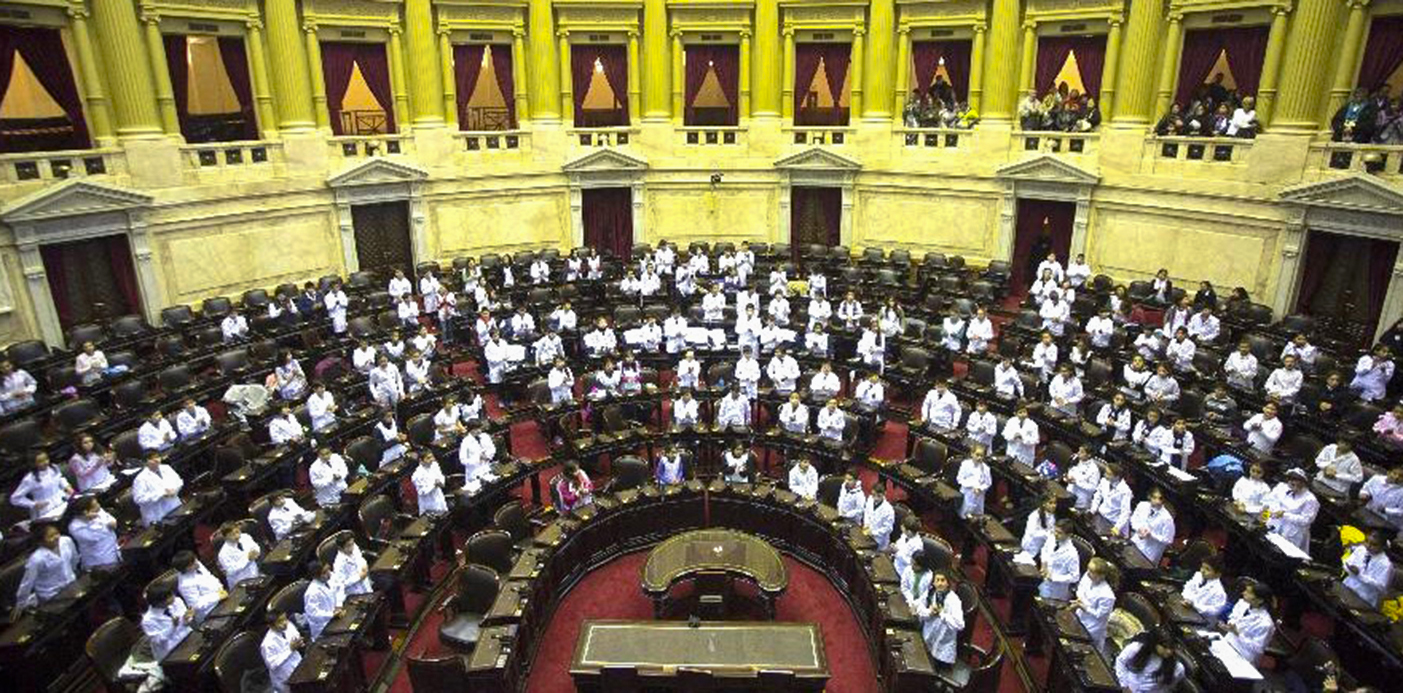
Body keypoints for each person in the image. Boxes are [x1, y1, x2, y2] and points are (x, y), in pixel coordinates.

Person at [13, 523, 78, 616]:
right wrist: (20, 604)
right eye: (51, 536)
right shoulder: (36, 559)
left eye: (56, 533)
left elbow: (74, 559)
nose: (56, 537)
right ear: (41, 542)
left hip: (71, 586)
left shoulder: (66, 541)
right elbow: (27, 582)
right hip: (51, 596)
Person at [914, 571, 964, 667]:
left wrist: (942, 614)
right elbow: (918, 606)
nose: (940, 583)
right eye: (937, 580)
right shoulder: (930, 593)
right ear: (933, 583)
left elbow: (960, 625)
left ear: (948, 583)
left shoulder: (953, 600)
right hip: (928, 637)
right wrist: (929, 612)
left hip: (943, 644)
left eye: (943, 580)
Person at [1218, 581, 1275, 665]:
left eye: (1249, 592)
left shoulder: (1265, 624)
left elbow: (1257, 649)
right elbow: (1233, 617)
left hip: (1243, 656)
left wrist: (1238, 634)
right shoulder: (1242, 603)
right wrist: (1229, 626)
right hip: (1228, 642)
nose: (1243, 593)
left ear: (1260, 600)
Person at [1114, 628, 1185, 693]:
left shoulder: (1177, 668)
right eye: (1165, 647)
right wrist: (1125, 685)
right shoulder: (1136, 648)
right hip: (1128, 687)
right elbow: (1120, 662)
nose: (1169, 651)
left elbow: (1168, 687)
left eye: (1171, 647)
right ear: (1155, 642)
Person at [1265, 468, 1319, 552]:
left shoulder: (1310, 500)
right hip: (1274, 524)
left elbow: (1306, 520)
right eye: (1292, 479)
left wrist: (1284, 515)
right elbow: (1270, 500)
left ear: (1304, 483)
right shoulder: (1281, 487)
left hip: (1293, 533)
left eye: (1298, 480)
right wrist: (1277, 510)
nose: (1294, 482)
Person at [9, 452, 71, 522]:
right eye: (40, 461)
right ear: (34, 464)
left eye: (46, 459)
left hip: (61, 500)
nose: (46, 462)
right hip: (46, 508)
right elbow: (15, 498)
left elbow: (60, 478)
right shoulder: (30, 479)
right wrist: (33, 504)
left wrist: (66, 486)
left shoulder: (53, 468)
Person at [1073, 557, 1118, 651]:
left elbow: (1099, 615)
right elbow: (1080, 588)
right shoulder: (1087, 576)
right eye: (1088, 569)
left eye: (1092, 572)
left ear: (1101, 576)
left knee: (1085, 649)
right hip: (1080, 616)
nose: (1088, 573)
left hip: (1092, 626)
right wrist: (1080, 598)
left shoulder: (1107, 596)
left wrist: (1084, 607)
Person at [141, 583, 192, 660]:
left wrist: (188, 618)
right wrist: (172, 627)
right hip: (171, 650)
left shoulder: (177, 601)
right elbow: (158, 641)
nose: (173, 597)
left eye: (171, 594)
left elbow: (186, 623)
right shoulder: (148, 620)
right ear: (158, 603)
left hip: (187, 637)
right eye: (169, 597)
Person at [173, 550, 226, 623]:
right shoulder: (185, 585)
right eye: (193, 563)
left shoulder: (197, 564)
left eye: (195, 559)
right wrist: (217, 596)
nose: (197, 563)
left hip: (221, 597)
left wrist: (219, 587)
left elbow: (209, 576)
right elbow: (196, 605)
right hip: (209, 611)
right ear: (186, 568)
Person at [68, 497, 120, 571]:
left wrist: (112, 522)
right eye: (95, 505)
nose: (99, 506)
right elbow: (95, 537)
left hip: (114, 551)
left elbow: (111, 520)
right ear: (85, 512)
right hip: (99, 561)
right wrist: (100, 521)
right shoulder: (75, 527)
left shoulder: (99, 511)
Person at [1343, 531, 1393, 608]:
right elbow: (1346, 564)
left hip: (1364, 598)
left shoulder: (1386, 565)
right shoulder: (1360, 550)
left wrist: (1360, 575)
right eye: (1366, 541)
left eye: (1374, 544)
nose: (1368, 546)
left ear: (1383, 547)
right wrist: (1349, 568)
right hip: (1347, 586)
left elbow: (1381, 588)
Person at [132, 452, 183, 526]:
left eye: (157, 457)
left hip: (175, 505)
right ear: (146, 462)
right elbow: (139, 499)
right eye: (152, 459)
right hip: (157, 514)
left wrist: (174, 489)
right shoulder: (140, 479)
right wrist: (161, 494)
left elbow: (178, 481)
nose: (156, 460)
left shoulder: (166, 468)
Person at [262, 609, 304, 693]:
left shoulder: (289, 626)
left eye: (285, 619)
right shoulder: (267, 644)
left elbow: (296, 635)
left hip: (298, 665)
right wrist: (290, 649)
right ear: (270, 626)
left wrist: (299, 642)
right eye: (280, 621)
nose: (285, 623)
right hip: (284, 677)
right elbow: (272, 665)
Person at [1129, 487, 1176, 563]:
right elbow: (1133, 520)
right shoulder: (1142, 505)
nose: (1157, 501)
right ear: (1149, 496)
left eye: (1160, 498)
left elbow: (1168, 540)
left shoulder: (1167, 518)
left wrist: (1151, 535)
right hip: (1135, 542)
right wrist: (1139, 528)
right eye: (1154, 498)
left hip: (1149, 553)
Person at [1038, 519, 1080, 600]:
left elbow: (1075, 577)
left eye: (1059, 533)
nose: (1055, 534)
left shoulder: (1072, 554)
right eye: (1055, 531)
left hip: (1057, 591)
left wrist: (1053, 577)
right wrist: (1044, 564)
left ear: (1068, 535)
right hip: (1044, 582)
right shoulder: (1052, 538)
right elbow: (1045, 550)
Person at [304, 561, 344, 641]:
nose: (329, 573)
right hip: (323, 627)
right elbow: (313, 614)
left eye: (328, 569)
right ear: (316, 576)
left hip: (336, 617)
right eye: (324, 572)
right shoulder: (312, 592)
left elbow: (339, 587)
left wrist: (338, 604)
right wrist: (332, 614)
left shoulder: (330, 578)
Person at [1090, 463, 1133, 537]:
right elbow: (1098, 495)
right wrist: (1093, 509)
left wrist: (1117, 527)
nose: (1105, 475)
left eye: (1109, 474)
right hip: (1102, 516)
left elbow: (1126, 512)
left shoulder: (1125, 491)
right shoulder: (1104, 481)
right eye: (1106, 472)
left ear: (1117, 477)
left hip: (1114, 522)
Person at [1181, 555, 1227, 621]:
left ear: (1218, 574)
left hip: (1203, 619)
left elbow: (1214, 611)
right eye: (1202, 567)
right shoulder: (1198, 575)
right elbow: (1188, 587)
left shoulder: (1219, 592)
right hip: (1187, 607)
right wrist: (1187, 599)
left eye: (1208, 569)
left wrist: (1194, 605)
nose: (1203, 571)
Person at [218, 522, 263, 588]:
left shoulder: (245, 537)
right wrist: (247, 559)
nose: (236, 536)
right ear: (225, 537)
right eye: (232, 535)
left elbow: (255, 546)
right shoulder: (223, 554)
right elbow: (231, 571)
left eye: (237, 532)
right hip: (240, 582)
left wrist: (256, 552)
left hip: (255, 573)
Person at [1359, 466, 1403, 530]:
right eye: (1394, 473)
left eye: (1401, 476)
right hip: (1369, 510)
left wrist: (1386, 510)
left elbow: (1401, 511)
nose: (1396, 477)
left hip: (1386, 521)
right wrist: (1364, 494)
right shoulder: (1376, 479)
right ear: (1389, 472)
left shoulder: (1401, 492)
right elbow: (1366, 488)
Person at [956, 446, 992, 518]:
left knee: (976, 515)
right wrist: (973, 486)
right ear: (972, 454)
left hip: (979, 495)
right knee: (963, 514)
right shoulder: (965, 464)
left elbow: (988, 483)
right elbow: (959, 479)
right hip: (967, 492)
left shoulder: (986, 468)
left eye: (981, 456)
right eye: (977, 455)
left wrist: (980, 488)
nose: (979, 458)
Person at [863, 486, 895, 550]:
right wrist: (866, 524)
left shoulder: (888, 510)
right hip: (868, 533)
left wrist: (874, 533)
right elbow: (866, 512)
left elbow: (888, 528)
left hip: (879, 539)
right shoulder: (870, 499)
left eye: (879, 496)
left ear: (884, 494)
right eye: (873, 495)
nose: (876, 498)